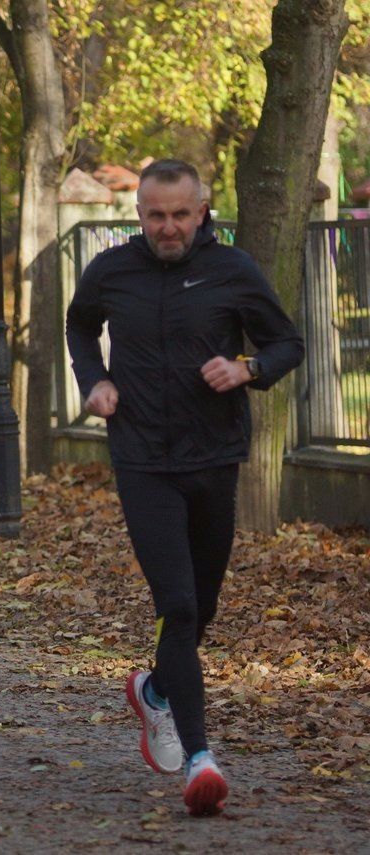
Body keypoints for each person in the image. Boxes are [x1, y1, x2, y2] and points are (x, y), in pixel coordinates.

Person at [66, 158, 303, 817]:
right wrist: (95, 380)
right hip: (142, 459)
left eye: (179, 215)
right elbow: (79, 326)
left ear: (202, 212)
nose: (167, 227)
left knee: (204, 604)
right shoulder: (111, 270)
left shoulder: (234, 270)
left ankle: (157, 690)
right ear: (139, 214)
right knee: (178, 602)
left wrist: (249, 367)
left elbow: (288, 343)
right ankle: (201, 758)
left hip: (214, 456)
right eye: (155, 215)